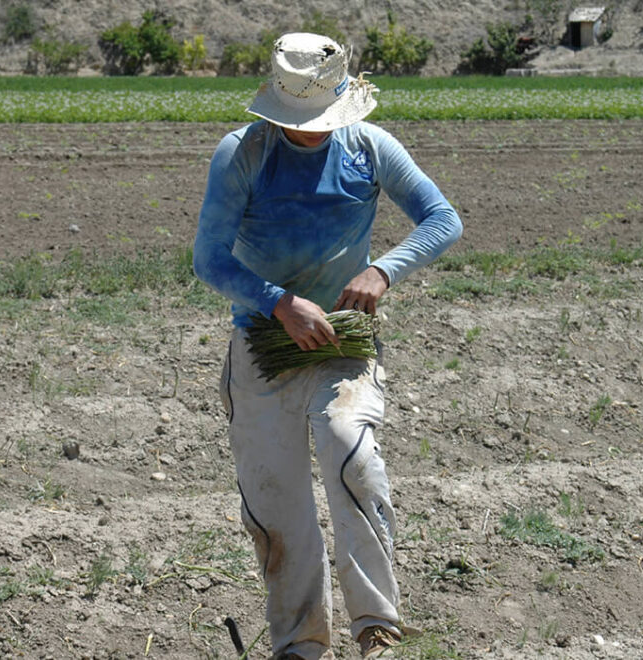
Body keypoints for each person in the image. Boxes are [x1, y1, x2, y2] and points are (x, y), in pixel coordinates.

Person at [193, 32, 462, 660]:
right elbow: (208, 258)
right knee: (274, 503)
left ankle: (377, 630)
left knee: (352, 459)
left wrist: (383, 270)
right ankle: (300, 645)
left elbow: (443, 219)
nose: (308, 131)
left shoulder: (369, 147)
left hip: (342, 340)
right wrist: (278, 302)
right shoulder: (244, 153)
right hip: (264, 344)